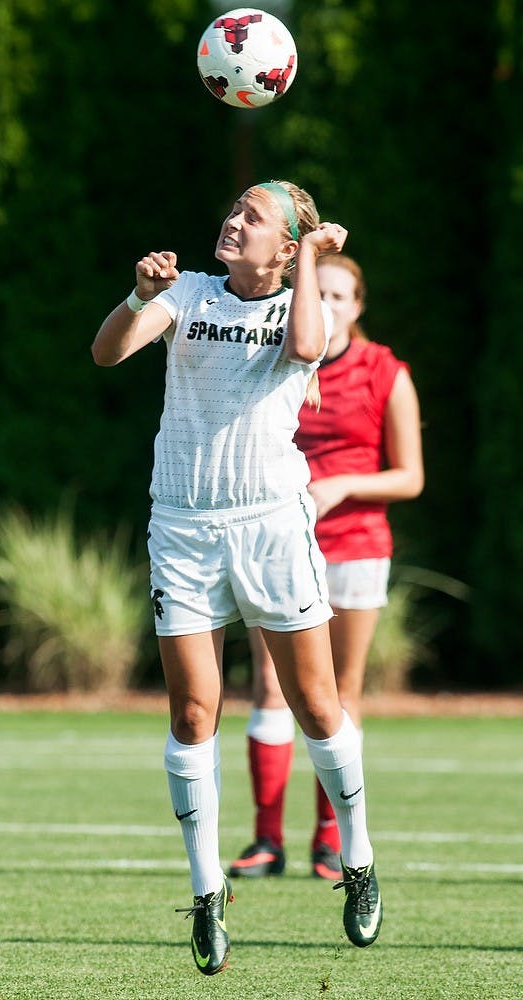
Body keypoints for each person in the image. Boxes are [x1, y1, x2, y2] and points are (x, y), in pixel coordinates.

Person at [91, 182, 383, 976]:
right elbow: (108, 351)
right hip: (182, 528)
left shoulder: (298, 305)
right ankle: (206, 888)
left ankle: (357, 860)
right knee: (193, 713)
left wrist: (312, 261)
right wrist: (139, 295)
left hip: (270, 528)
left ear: (286, 247)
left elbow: (304, 350)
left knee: (319, 706)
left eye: (254, 217)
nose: (233, 220)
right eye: (234, 209)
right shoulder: (186, 292)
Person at [227, 253, 424, 883]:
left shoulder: (383, 370)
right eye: (321, 292)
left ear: (359, 305)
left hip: (357, 545)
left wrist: (341, 487)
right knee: (268, 686)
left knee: (340, 694)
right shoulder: (276, 355)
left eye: (342, 296)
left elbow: (411, 477)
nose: (330, 304)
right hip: (278, 543)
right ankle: (265, 839)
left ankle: (330, 840)